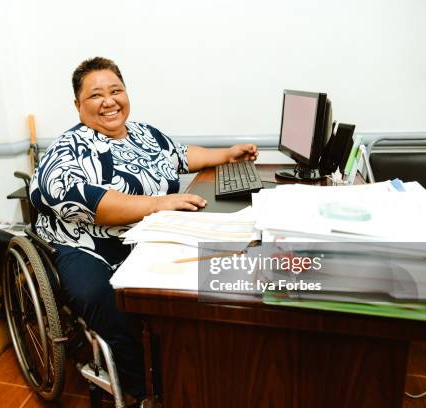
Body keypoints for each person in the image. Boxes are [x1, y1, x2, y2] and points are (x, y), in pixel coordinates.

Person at [30, 57, 258, 402]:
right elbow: (82, 199)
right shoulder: (68, 147)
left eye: (115, 90)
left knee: (201, 270)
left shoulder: (143, 134)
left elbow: (180, 155)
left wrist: (227, 154)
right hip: (86, 245)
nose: (108, 101)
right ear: (78, 105)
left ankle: (191, 364)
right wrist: (156, 204)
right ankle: (140, 388)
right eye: (95, 95)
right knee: (103, 296)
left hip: (146, 235)